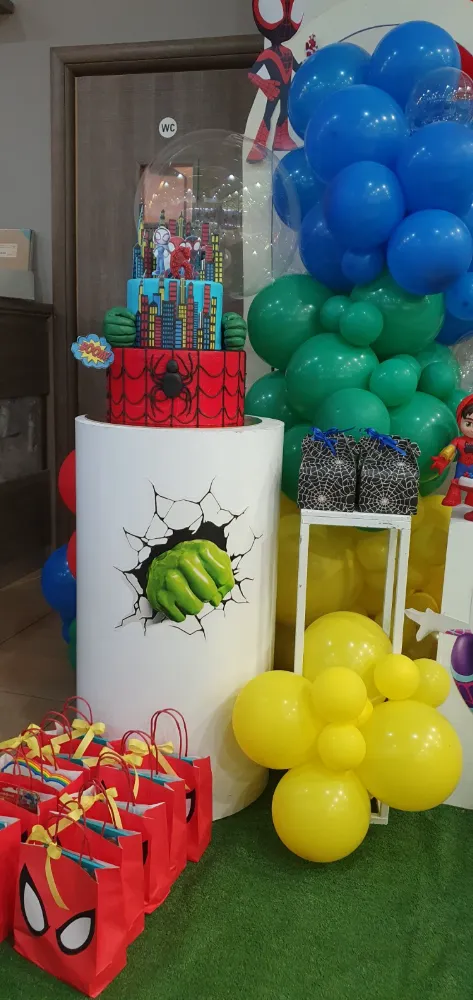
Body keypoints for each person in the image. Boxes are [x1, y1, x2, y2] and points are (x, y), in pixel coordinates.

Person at [247, 0, 302, 162]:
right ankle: (258, 147)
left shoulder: (288, 52)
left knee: (284, 112)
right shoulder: (267, 54)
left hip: (286, 90)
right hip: (274, 90)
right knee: (268, 114)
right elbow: (251, 74)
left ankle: (281, 139)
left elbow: (297, 67)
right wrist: (264, 84)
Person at [432, 392, 473, 519]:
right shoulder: (458, 441)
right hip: (461, 467)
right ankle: (453, 497)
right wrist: (442, 460)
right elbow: (449, 451)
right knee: (456, 483)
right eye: (468, 424)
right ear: (460, 420)